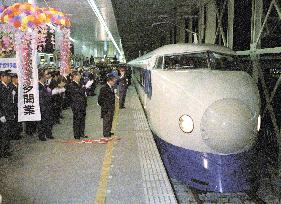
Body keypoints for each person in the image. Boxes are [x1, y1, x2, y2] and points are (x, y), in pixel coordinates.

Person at [68, 71, 93, 139]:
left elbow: (83, 92)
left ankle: (82, 133)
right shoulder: (71, 85)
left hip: (82, 104)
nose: (80, 76)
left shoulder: (80, 83)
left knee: (82, 119)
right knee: (77, 120)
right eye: (78, 75)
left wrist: (86, 88)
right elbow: (79, 92)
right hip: (76, 105)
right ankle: (76, 135)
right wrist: (85, 87)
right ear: (74, 76)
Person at [0, 70, 13, 157]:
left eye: (9, 77)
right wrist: (1, 115)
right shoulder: (1, 87)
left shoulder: (7, 86)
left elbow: (9, 102)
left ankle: (6, 149)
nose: (9, 78)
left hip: (8, 113)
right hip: (3, 114)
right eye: (7, 76)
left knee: (7, 132)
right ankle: (2, 151)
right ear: (2, 77)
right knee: (3, 133)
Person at [38, 70, 54, 141]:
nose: (46, 77)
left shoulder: (45, 85)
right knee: (42, 122)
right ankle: (41, 135)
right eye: (45, 76)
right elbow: (41, 97)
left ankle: (48, 133)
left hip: (48, 105)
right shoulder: (38, 86)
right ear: (42, 77)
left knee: (48, 121)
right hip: (43, 106)